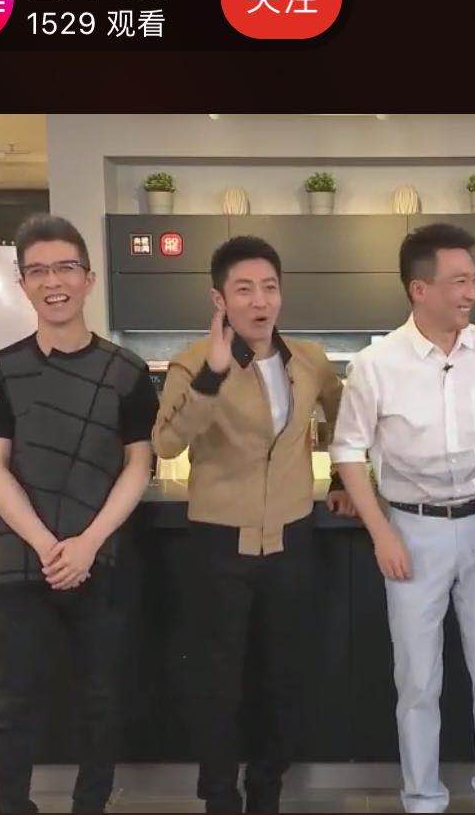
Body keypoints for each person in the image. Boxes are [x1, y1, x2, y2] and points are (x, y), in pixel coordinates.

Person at [330, 223, 475, 814]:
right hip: (411, 531)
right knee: (417, 680)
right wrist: (382, 533)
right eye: (459, 282)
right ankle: (423, 801)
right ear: (420, 289)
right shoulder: (376, 364)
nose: (472, 293)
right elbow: (348, 451)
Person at [152, 235, 356, 814]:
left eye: (269, 287)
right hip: (219, 544)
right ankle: (220, 797)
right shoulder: (193, 362)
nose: (259, 301)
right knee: (218, 685)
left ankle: (266, 793)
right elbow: (165, 442)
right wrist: (213, 377)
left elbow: (345, 416)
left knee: (282, 680)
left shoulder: (309, 360)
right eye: (244, 290)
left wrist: (343, 481)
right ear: (219, 299)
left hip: (291, 542)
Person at [0, 214, 160, 814]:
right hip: (21, 561)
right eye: (39, 271)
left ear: (89, 277)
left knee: (102, 701)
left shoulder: (128, 371)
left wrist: (87, 543)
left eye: (66, 268)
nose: (54, 282)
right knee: (15, 702)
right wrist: (48, 545)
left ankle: (89, 806)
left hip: (100, 558)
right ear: (23, 283)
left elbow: (139, 465)